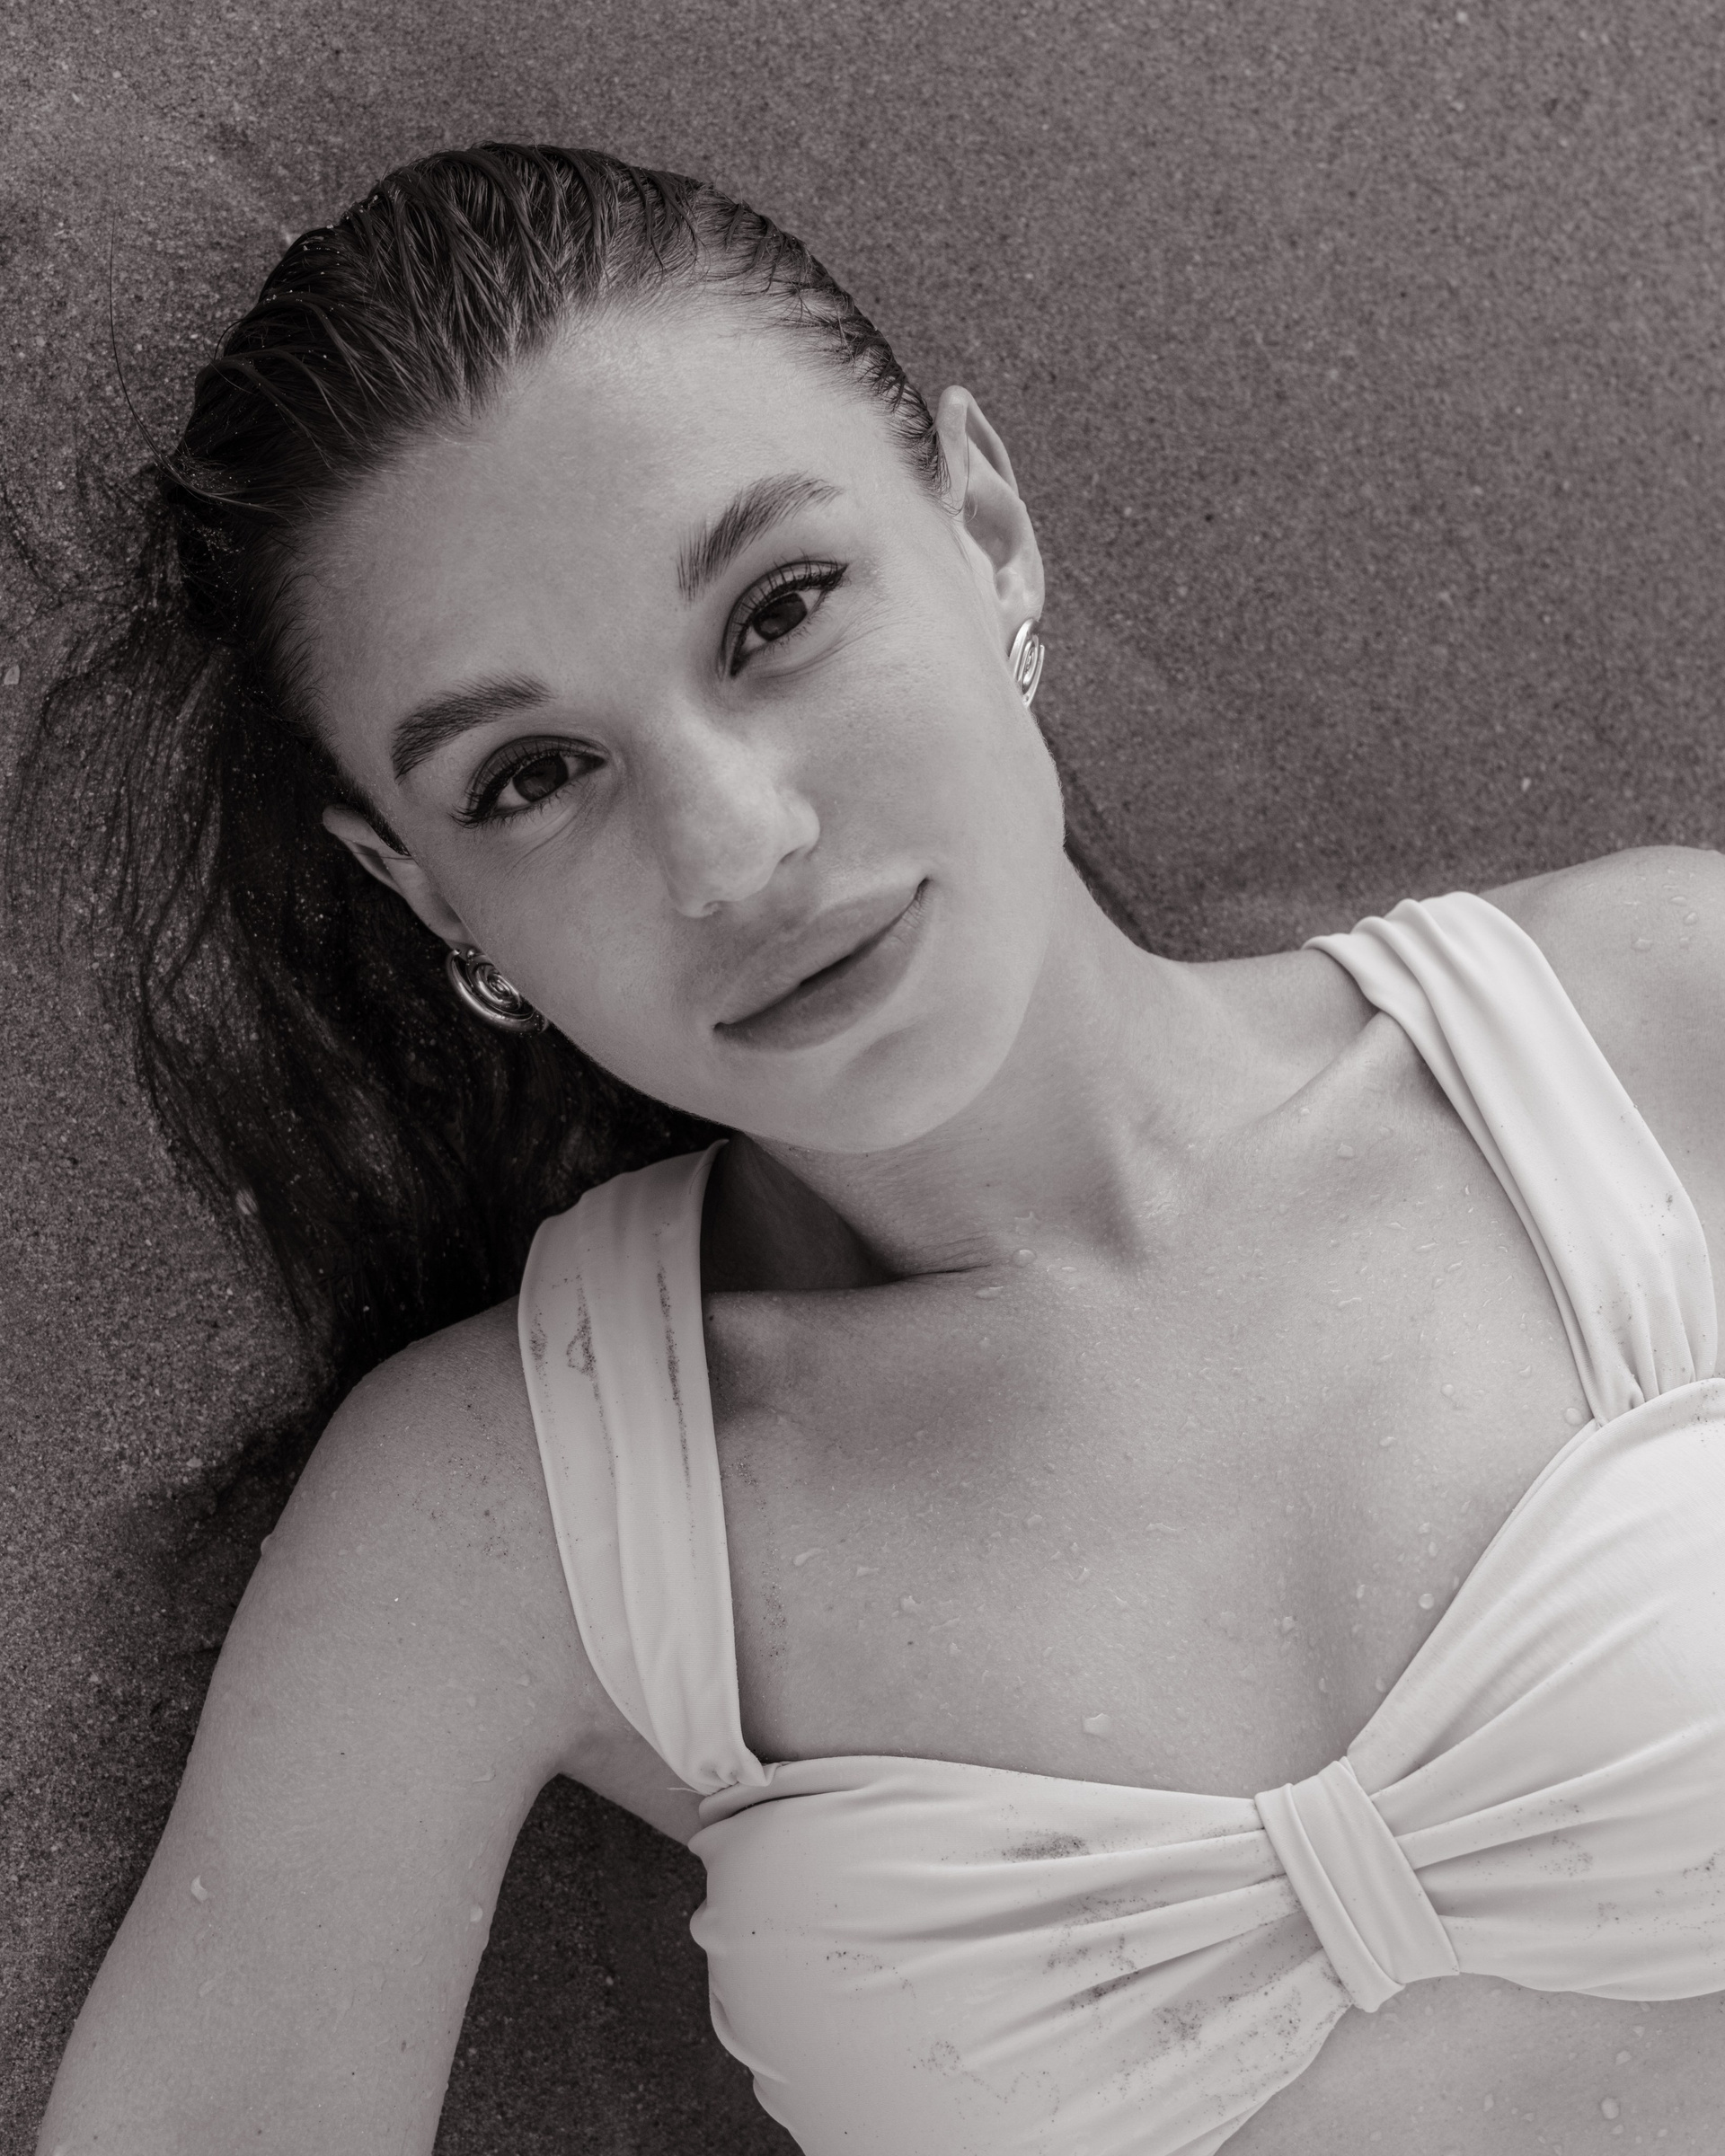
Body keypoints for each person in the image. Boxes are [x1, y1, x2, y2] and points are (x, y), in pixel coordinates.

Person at [19, 142, 1725, 2156]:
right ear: (427, 890)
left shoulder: (1653, 1027)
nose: (735, 847)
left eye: (780, 611)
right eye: (533, 776)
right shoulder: (514, 1514)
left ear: (986, 533)